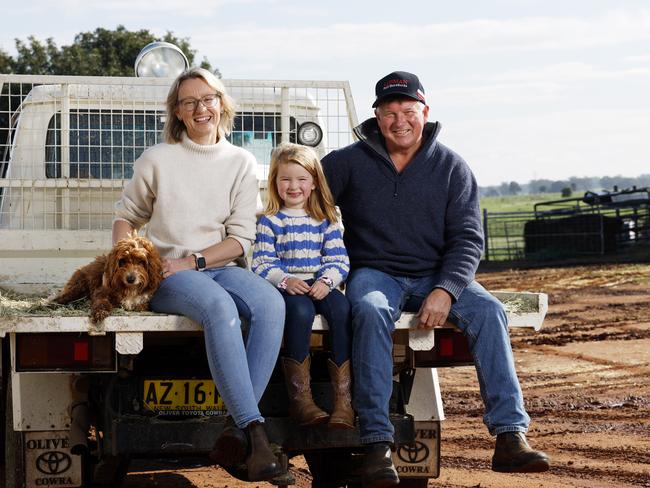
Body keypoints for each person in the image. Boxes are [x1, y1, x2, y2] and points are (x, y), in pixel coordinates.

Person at [321, 71, 550, 486]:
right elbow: (306, 198)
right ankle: (375, 444)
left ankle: (510, 436)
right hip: (376, 273)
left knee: (489, 311)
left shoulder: (451, 167)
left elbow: (467, 238)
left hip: (435, 274)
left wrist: (446, 289)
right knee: (369, 310)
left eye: (408, 111)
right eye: (389, 113)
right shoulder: (346, 163)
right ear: (376, 116)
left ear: (424, 112)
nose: (399, 121)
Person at [112, 67, 285, 482]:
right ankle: (256, 435)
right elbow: (126, 217)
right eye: (189, 102)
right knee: (218, 307)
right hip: (167, 274)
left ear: (221, 104)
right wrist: (126, 259)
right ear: (178, 112)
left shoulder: (242, 162)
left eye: (207, 98)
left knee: (270, 303)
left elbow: (241, 239)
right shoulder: (157, 159)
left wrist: (197, 261)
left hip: (216, 265)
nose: (200, 107)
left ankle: (236, 428)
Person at [252, 142, 354, 430]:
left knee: (341, 309)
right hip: (290, 286)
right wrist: (285, 280)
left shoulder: (326, 219)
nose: (293, 186)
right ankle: (301, 399)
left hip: (320, 282)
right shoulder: (269, 221)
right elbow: (261, 263)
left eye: (301, 179)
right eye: (285, 179)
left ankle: (343, 402)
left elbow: (338, 260)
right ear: (275, 182)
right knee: (299, 313)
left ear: (313, 183)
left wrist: (326, 281)